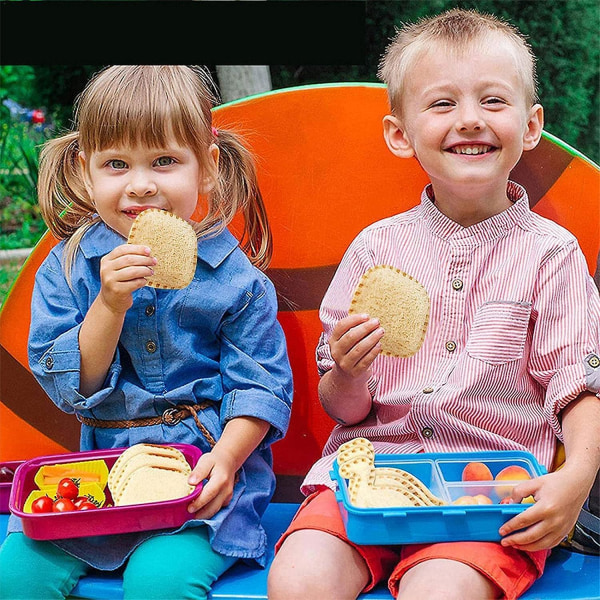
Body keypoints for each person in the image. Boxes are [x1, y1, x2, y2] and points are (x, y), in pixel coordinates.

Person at [268, 8, 600, 600]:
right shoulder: (375, 249)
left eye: (493, 101)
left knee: (439, 592)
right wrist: (347, 370)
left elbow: (579, 385)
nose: (469, 120)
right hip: (365, 480)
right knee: (298, 581)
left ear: (530, 125)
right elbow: (343, 410)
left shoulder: (552, 254)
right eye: (443, 104)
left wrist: (576, 477)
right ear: (401, 133)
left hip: (487, 494)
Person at [0, 65, 293, 600]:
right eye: (116, 164)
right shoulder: (66, 270)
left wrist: (226, 463)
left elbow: (262, 388)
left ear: (206, 168)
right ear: (86, 172)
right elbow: (72, 387)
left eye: (164, 161)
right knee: (15, 576)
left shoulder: (237, 281)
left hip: (204, 482)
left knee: (159, 583)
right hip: (100, 479)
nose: (140, 184)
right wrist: (109, 304)